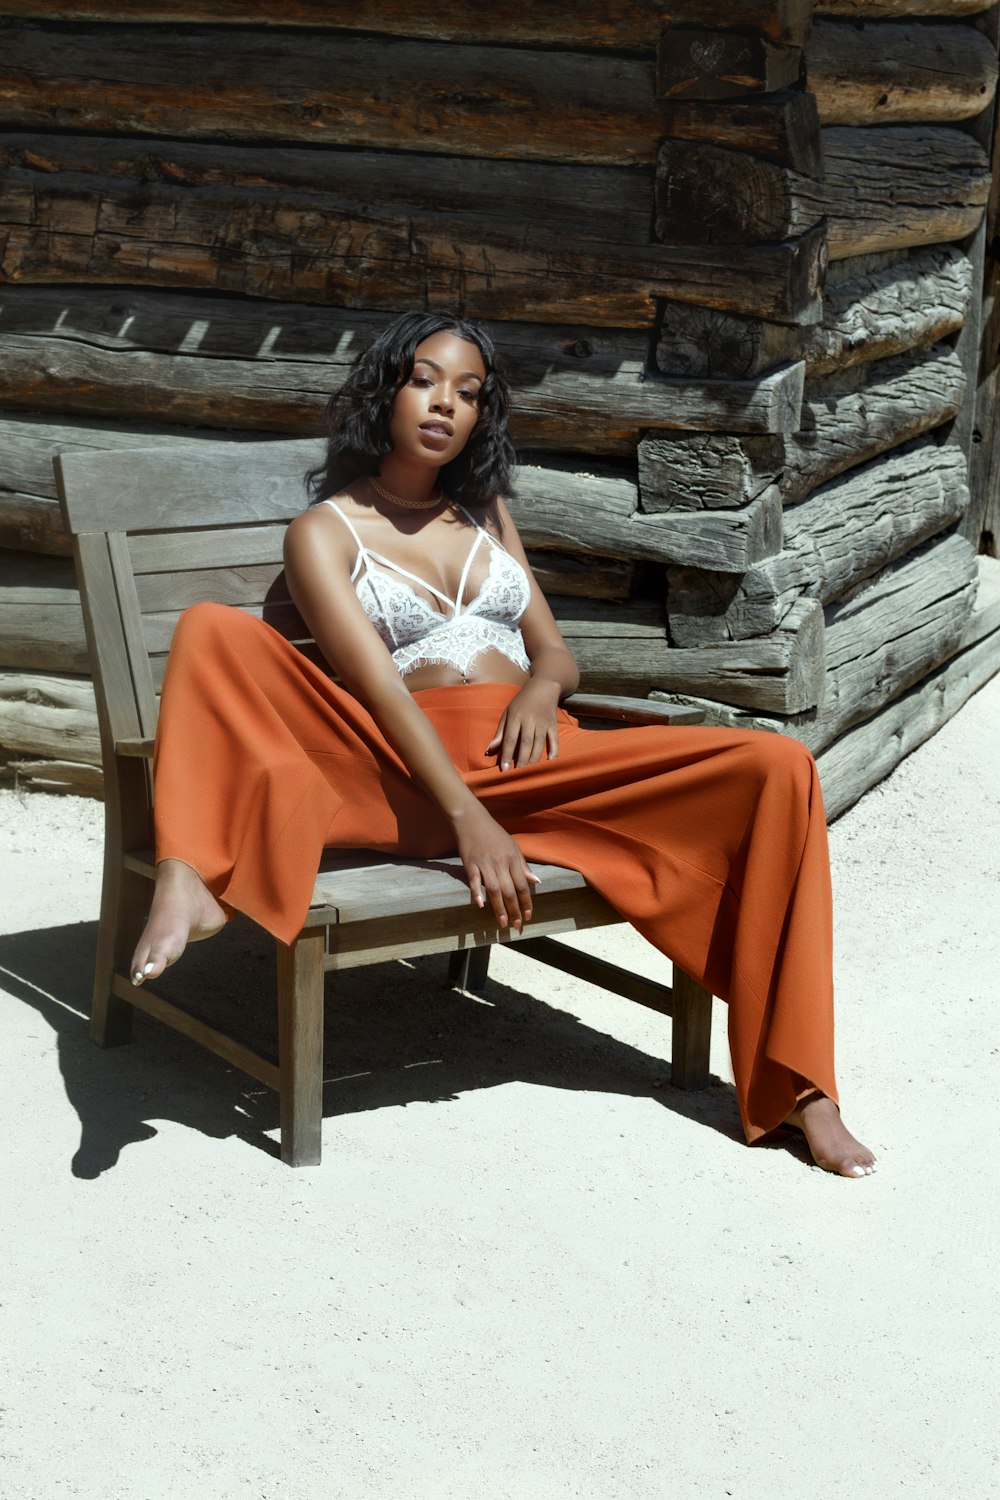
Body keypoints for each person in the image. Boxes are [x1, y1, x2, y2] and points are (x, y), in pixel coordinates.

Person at [130, 311, 876, 1179]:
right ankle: (188, 872)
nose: (445, 403)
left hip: (538, 753)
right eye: (424, 379)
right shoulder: (324, 533)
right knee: (213, 630)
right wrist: (470, 817)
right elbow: (373, 690)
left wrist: (539, 687)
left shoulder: (483, 512)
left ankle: (802, 1089)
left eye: (469, 391)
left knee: (776, 765)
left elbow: (558, 650)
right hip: (409, 770)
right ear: (385, 389)